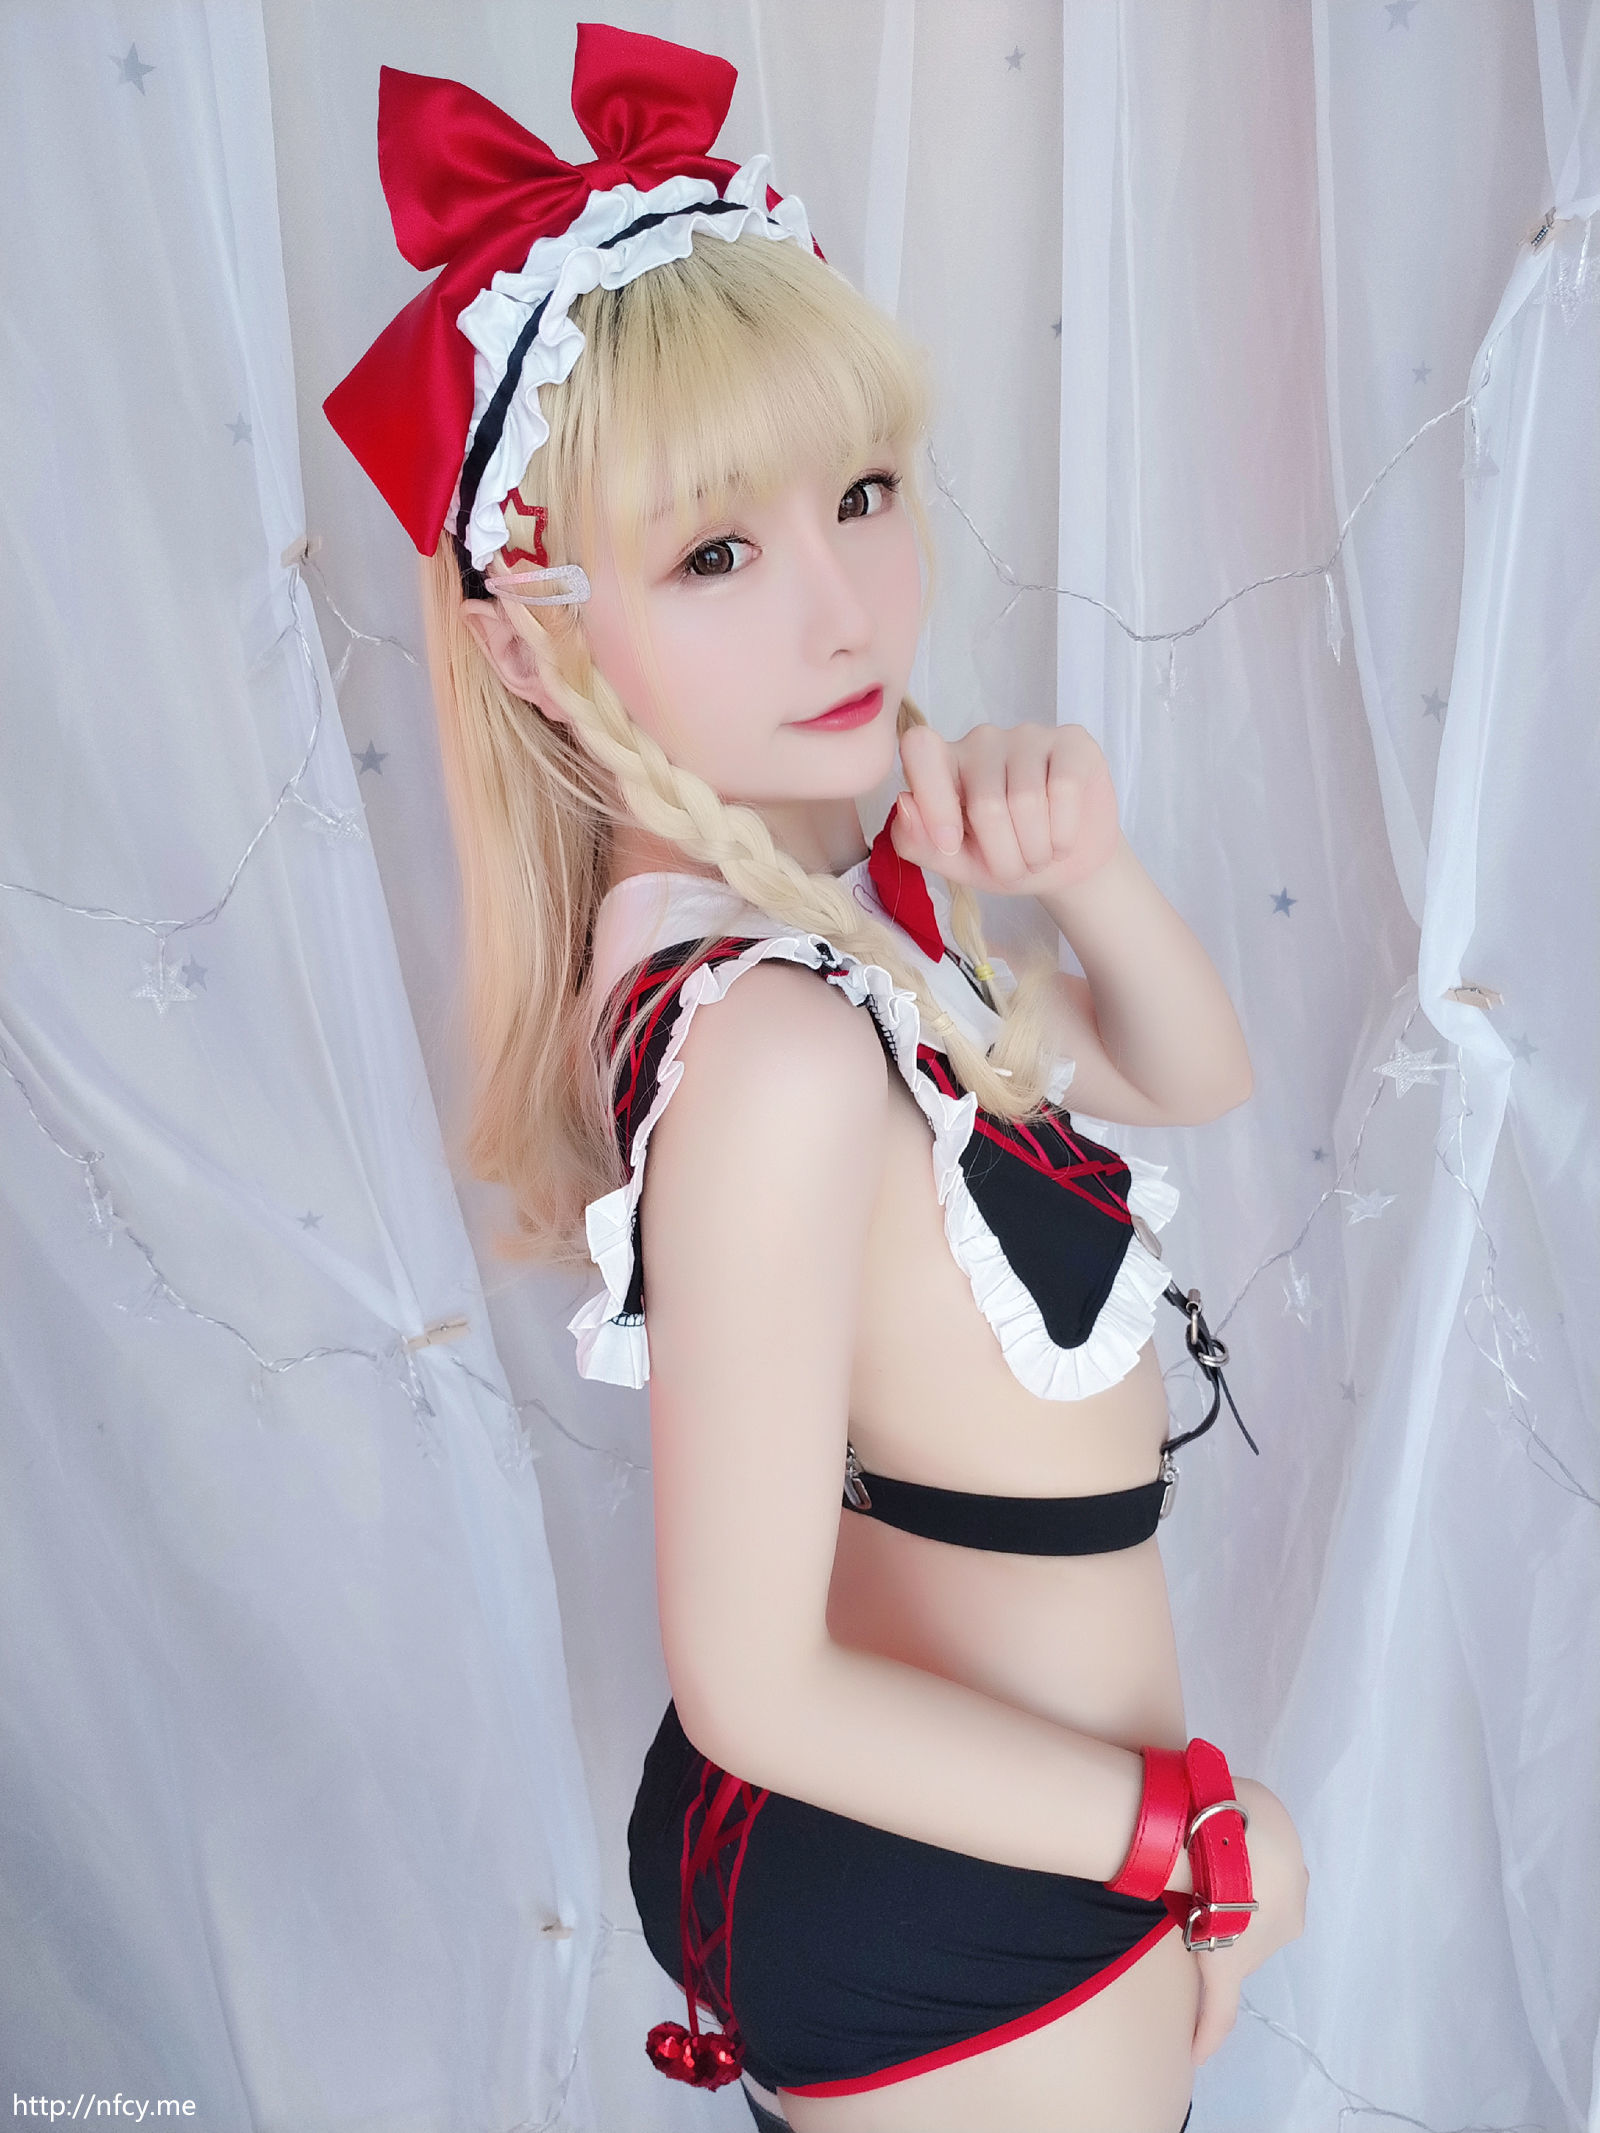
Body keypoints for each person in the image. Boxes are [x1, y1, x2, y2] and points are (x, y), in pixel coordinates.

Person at [324, 24, 1307, 2131]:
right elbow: (751, 1679)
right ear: (528, 639)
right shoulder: (770, 1037)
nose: (848, 606)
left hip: (992, 1835)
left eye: (859, 494)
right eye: (716, 554)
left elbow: (1188, 1076)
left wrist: (1084, 870)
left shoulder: (824, 915)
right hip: (982, 1874)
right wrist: (1190, 1835)